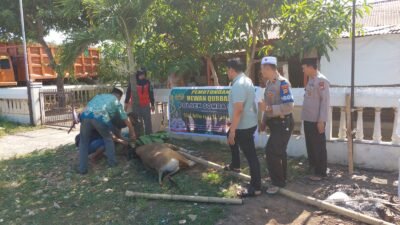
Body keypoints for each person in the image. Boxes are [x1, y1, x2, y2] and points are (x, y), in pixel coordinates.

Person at [225, 58, 261, 197]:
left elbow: (238, 109)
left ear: (232, 70)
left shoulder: (239, 84)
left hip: (243, 125)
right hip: (247, 122)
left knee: (251, 156)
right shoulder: (246, 80)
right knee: (229, 137)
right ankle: (235, 165)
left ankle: (256, 187)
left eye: (228, 70)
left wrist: (233, 130)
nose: (227, 72)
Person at [78, 87, 136, 174]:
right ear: (119, 96)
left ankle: (82, 169)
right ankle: (112, 163)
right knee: (108, 139)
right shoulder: (116, 101)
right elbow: (125, 118)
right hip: (100, 117)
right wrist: (132, 133)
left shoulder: (98, 96)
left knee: (83, 142)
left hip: (85, 116)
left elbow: (85, 108)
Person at [259, 56, 295, 194]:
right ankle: (281, 179)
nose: (262, 72)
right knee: (279, 152)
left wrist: (268, 110)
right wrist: (263, 121)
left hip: (283, 122)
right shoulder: (269, 83)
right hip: (275, 123)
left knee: (272, 152)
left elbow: (289, 106)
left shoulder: (283, 84)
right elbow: (267, 104)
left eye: (263, 69)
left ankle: (278, 183)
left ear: (268, 69)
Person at [301, 58, 330, 181]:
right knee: (311, 145)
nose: (303, 70)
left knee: (318, 146)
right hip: (308, 119)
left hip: (317, 120)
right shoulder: (311, 80)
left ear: (311, 67)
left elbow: (325, 101)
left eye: (304, 68)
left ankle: (321, 172)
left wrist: (321, 120)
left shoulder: (321, 80)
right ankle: (313, 167)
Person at [125, 68, 155, 136]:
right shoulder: (133, 82)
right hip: (136, 106)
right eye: (141, 75)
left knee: (148, 123)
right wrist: (126, 103)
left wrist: (152, 104)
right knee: (138, 123)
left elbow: (151, 93)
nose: (142, 76)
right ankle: (139, 137)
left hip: (146, 106)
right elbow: (128, 92)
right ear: (137, 75)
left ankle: (149, 136)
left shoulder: (148, 82)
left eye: (144, 75)